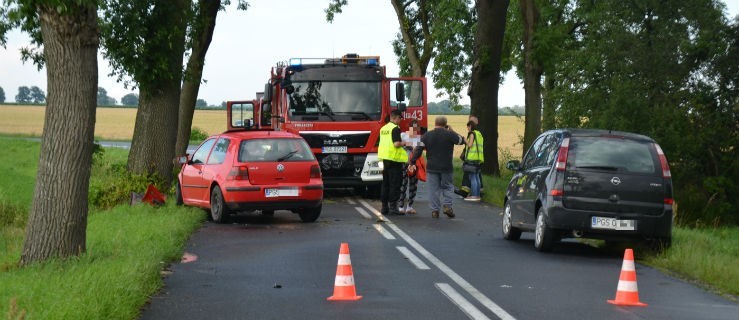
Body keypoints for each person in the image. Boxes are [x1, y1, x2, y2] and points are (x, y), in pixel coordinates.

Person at [408, 116, 465, 218]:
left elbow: (418, 149)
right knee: (447, 187)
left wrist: (412, 161)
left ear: (435, 123)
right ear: (445, 124)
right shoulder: (450, 135)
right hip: (446, 167)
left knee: (433, 189)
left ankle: (435, 210)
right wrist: (453, 131)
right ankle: (447, 206)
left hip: (431, 167)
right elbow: (462, 141)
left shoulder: (426, 135)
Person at [378, 110, 408, 216]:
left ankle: (384, 207)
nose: (401, 120)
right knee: (395, 184)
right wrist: (405, 142)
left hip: (385, 159)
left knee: (385, 184)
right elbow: (396, 144)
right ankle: (393, 207)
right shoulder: (395, 128)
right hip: (394, 160)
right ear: (396, 118)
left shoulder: (383, 128)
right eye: (400, 118)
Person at [399, 119, 423, 214]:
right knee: (403, 184)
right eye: (413, 127)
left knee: (413, 185)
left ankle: (409, 207)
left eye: (416, 127)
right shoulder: (403, 135)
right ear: (410, 127)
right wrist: (410, 145)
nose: (414, 129)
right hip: (404, 163)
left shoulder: (419, 138)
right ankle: (401, 207)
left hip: (414, 164)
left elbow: (421, 148)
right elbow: (398, 145)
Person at [459, 114, 483, 196]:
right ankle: (478, 195)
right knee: (476, 178)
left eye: (468, 127)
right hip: (478, 159)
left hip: (472, 159)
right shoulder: (479, 134)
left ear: (471, 126)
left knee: (473, 178)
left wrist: (465, 140)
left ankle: (474, 196)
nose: (467, 128)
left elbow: (470, 145)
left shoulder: (472, 134)